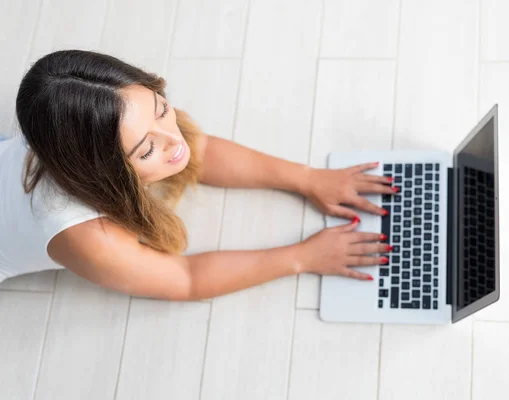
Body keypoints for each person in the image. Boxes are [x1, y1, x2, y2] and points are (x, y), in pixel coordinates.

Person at [0, 49, 399, 301]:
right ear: (102, 172)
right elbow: (184, 279)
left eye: (161, 108)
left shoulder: (100, 118)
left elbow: (198, 149)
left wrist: (309, 178)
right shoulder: (86, 236)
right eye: (147, 149)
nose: (173, 141)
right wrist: (302, 257)